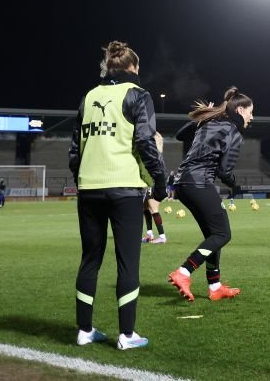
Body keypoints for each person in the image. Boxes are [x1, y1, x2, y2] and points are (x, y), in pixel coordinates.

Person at [68, 40, 166, 350]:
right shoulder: (138, 95)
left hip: (89, 188)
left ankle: (84, 330)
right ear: (134, 67)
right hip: (124, 188)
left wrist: (83, 179)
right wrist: (160, 181)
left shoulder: (89, 96)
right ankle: (127, 335)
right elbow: (147, 144)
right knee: (127, 263)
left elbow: (75, 150)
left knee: (90, 260)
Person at [167, 87, 253, 301]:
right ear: (240, 110)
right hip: (199, 183)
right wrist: (235, 186)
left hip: (183, 183)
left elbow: (180, 135)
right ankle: (184, 271)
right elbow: (225, 171)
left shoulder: (210, 123)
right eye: (251, 111)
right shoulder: (233, 131)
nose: (253, 116)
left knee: (213, 236)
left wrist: (207, 115)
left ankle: (215, 286)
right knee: (223, 234)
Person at [142, 132, 169, 244]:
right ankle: (149, 234)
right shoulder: (155, 153)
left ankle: (162, 237)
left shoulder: (155, 154)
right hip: (153, 182)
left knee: (153, 209)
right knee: (145, 208)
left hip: (157, 183)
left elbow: (160, 171)